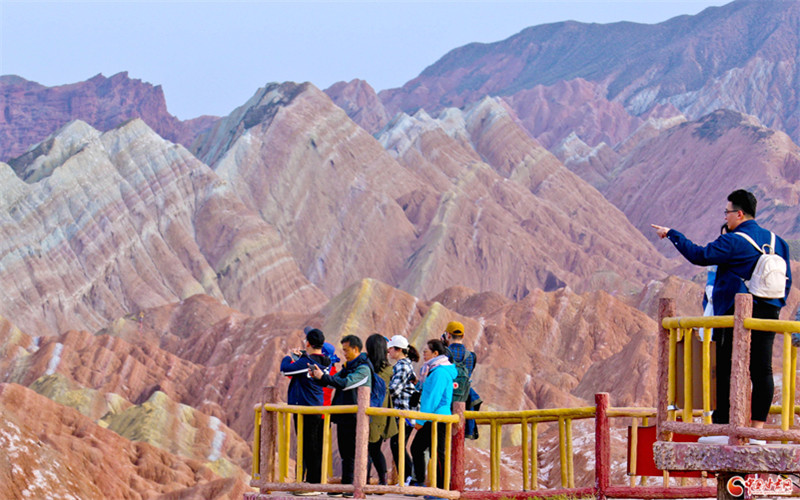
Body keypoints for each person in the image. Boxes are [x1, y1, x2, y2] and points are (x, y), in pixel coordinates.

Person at [652, 189, 792, 443]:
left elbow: (699, 255)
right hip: (769, 311)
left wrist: (672, 234)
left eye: (727, 212)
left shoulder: (734, 241)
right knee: (762, 369)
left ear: (739, 214)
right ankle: (757, 431)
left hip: (734, 313)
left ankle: (724, 428)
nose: (725, 217)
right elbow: (787, 280)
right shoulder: (778, 241)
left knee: (726, 368)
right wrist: (775, 305)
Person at [309, 335, 372, 493]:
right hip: (344, 416)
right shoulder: (348, 367)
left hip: (356, 418)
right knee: (345, 453)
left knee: (355, 453)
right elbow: (332, 381)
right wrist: (318, 377)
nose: (344, 353)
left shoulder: (363, 369)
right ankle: (346, 485)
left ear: (356, 349)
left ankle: (354, 487)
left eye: (346, 350)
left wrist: (324, 377)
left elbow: (345, 384)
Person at [279, 328, 332, 493]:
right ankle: (310, 482)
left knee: (309, 447)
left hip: (306, 408)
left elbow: (285, 369)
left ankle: (312, 484)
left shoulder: (307, 363)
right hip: (316, 407)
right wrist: (301, 357)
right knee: (312, 446)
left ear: (308, 343)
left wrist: (288, 357)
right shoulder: (325, 361)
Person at [410, 339, 456, 489]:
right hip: (432, 417)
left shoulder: (439, 372)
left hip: (437, 418)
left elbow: (433, 398)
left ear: (435, 353)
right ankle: (421, 483)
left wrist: (420, 421)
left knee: (437, 453)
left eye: (426, 351)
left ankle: (442, 489)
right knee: (418, 448)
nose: (423, 354)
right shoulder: (434, 370)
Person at [364, 334, 398, 486]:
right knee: (374, 448)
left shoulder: (366, 368)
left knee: (367, 448)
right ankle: (382, 480)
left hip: (369, 410)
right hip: (382, 411)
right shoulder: (388, 369)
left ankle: (364, 480)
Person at [386, 334, 420, 486]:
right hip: (406, 413)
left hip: (403, 413)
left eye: (391, 348)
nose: (389, 351)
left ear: (398, 349)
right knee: (398, 445)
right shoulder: (406, 365)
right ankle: (407, 478)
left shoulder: (402, 366)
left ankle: (409, 477)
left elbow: (394, 390)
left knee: (397, 445)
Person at [442, 321, 481, 439]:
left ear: (448, 335)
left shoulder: (443, 354)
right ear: (463, 336)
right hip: (463, 402)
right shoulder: (471, 356)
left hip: (445, 403)